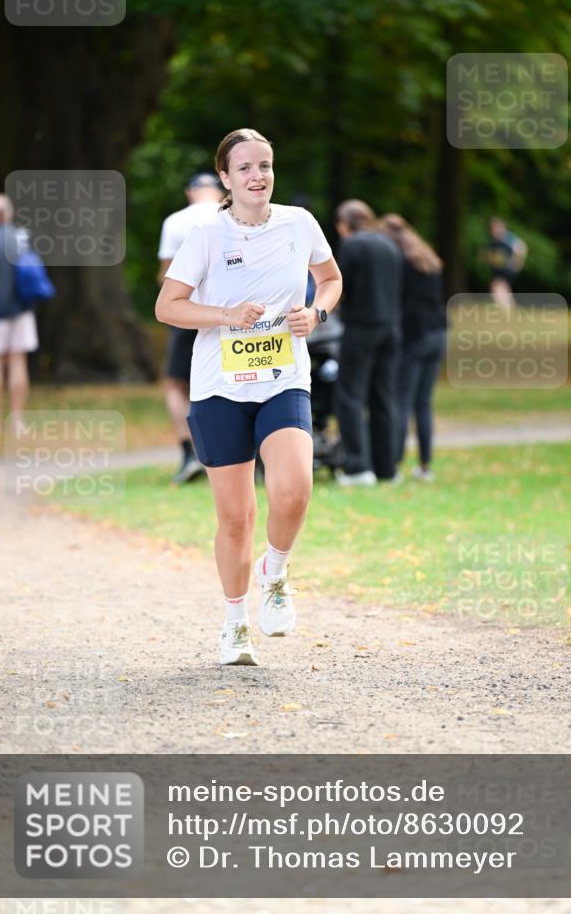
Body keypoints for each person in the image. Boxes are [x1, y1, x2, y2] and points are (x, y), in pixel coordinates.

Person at [155, 128, 342, 666]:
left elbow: (330, 279)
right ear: (225, 177)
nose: (257, 176)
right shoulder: (207, 235)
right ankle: (235, 623)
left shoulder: (299, 223)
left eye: (265, 165)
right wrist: (225, 316)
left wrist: (317, 312)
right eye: (245, 168)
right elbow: (167, 306)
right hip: (220, 387)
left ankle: (274, 572)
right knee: (236, 516)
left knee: (295, 489)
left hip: (284, 377)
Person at [157, 173, 223, 484]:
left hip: (189, 311)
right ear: (220, 189)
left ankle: (189, 453)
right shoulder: (234, 215)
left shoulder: (175, 222)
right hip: (230, 313)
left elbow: (166, 275)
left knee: (176, 383)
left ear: (190, 192)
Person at [333, 200, 403, 486]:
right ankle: (387, 467)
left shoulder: (352, 245)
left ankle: (357, 467)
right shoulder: (389, 244)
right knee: (383, 397)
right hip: (391, 327)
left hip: (361, 327)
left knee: (350, 396)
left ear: (344, 223)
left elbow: (339, 286)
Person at [380, 214, 447, 482]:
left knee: (401, 401)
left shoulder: (399, 261)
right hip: (438, 333)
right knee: (423, 403)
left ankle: (394, 465)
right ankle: (425, 465)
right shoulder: (427, 258)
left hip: (415, 337)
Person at [0, 194, 38, 436]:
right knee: (18, 362)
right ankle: (17, 422)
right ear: (9, 214)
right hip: (21, 310)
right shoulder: (22, 239)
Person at [482, 217, 528, 306]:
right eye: (492, 229)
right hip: (500, 269)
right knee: (503, 288)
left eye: (496, 228)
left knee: (497, 286)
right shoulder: (495, 240)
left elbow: (521, 247)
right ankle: (509, 307)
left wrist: (517, 262)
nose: (494, 231)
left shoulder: (507, 238)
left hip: (507, 269)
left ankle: (505, 307)